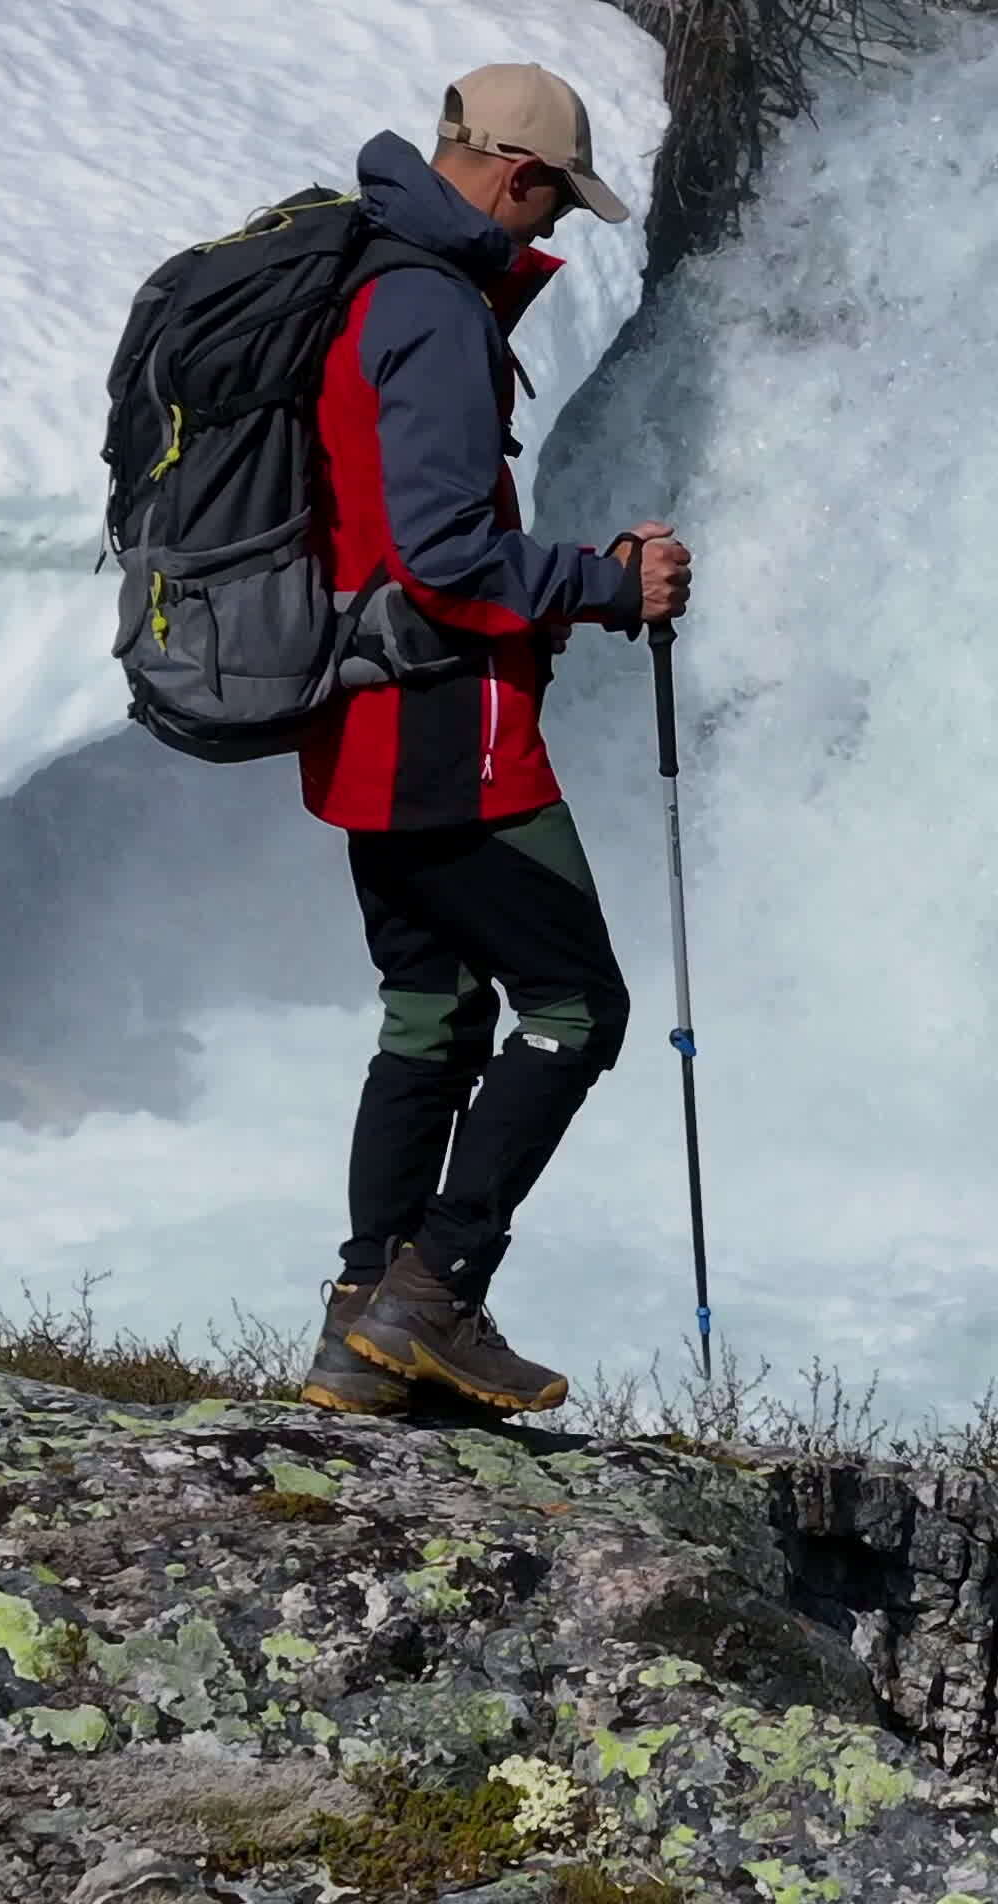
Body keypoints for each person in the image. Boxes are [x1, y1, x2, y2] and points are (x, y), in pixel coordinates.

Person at [297, 63, 696, 1418]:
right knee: (580, 1008)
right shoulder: (435, 313)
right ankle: (434, 1294)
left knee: (433, 1010)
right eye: (556, 204)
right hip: (443, 727)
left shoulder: (365, 277)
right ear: (516, 174)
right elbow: (445, 554)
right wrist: (604, 582)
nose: (555, 233)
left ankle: (362, 1328)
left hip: (353, 719)